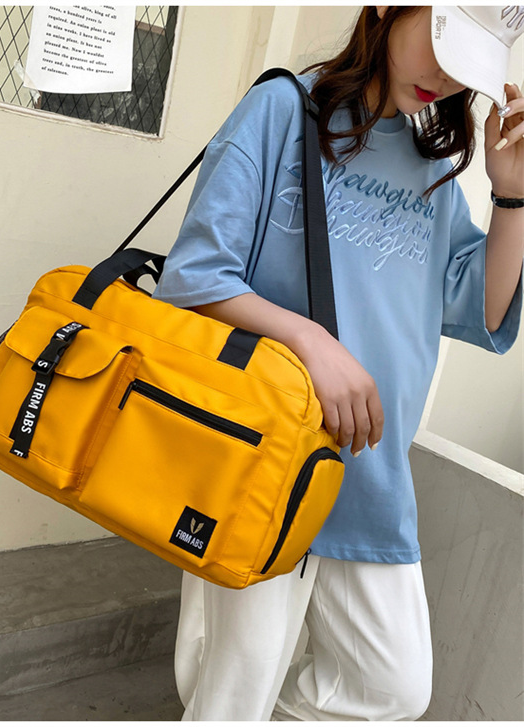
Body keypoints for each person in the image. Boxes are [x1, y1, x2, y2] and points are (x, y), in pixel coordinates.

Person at [153, 6, 524, 721]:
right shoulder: (280, 111)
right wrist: (314, 343)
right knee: (234, 691)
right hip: (265, 457)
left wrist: (511, 193)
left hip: (372, 475)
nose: (446, 78)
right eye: (441, 45)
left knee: (394, 685)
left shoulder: (430, 167)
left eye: (466, 67)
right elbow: (195, 278)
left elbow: (484, 308)